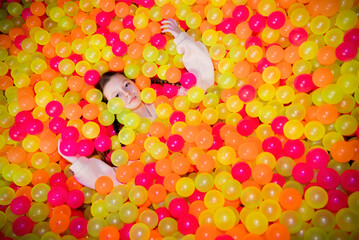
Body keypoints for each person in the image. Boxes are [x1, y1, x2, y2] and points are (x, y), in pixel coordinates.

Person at [59, 18, 215, 189]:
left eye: (126, 84)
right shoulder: (129, 143)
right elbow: (117, 181)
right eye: (117, 94)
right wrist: (79, 163)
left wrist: (181, 39)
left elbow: (202, 83)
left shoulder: (165, 102)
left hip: (208, 157)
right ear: (110, 107)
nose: (127, 93)